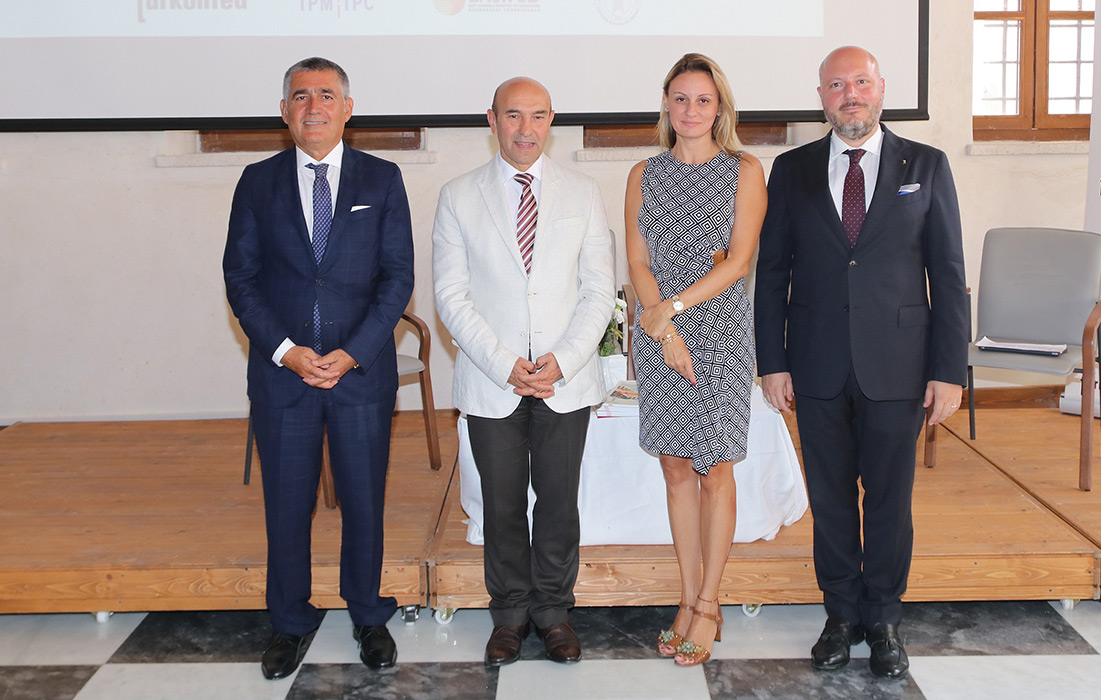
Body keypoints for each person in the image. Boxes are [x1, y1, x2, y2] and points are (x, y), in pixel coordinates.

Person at [754, 46, 969, 679]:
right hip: (815, 362)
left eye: (860, 82)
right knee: (830, 498)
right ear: (821, 97)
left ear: (881, 89)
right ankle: (840, 616)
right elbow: (773, 273)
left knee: (889, 499)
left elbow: (947, 273)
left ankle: (884, 619)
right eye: (836, 85)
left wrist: (948, 370)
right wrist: (772, 361)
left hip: (899, 365)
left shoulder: (926, 165)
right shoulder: (790, 170)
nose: (849, 94)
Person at [223, 57, 414, 680]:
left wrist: (354, 351)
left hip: (359, 374)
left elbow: (397, 278)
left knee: (363, 501)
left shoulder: (382, 179)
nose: (314, 107)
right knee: (286, 505)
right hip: (284, 376)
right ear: (285, 112)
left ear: (347, 108)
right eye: (301, 96)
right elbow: (240, 278)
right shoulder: (257, 181)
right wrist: (286, 350)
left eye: (326, 95)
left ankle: (368, 614)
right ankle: (289, 620)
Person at [432, 77, 615, 667]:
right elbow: (451, 295)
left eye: (537, 116)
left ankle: (554, 613)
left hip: (565, 378)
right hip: (493, 380)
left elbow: (598, 289)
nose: (526, 128)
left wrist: (565, 358)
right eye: (513, 115)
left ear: (551, 121)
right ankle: (509, 615)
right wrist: (503, 363)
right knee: (502, 504)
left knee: (558, 503)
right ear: (492, 120)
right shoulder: (458, 196)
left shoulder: (583, 192)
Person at [624, 53, 766, 668]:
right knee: (677, 469)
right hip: (661, 338)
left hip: (720, 332)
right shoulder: (642, 173)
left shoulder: (745, 170)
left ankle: (710, 603)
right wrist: (662, 329)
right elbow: (637, 262)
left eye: (702, 99)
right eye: (680, 98)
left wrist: (672, 311)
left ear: (719, 107)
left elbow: (738, 260)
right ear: (666, 104)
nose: (690, 109)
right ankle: (686, 597)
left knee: (716, 472)